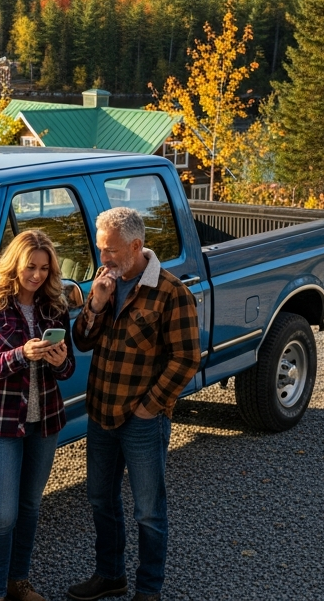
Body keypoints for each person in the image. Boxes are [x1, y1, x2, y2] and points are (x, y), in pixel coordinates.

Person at [66, 207, 199, 601]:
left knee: (148, 512)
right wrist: (95, 304)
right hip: (101, 412)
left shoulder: (171, 292)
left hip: (142, 419)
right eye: (100, 248)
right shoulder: (106, 284)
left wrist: (151, 406)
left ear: (136, 245)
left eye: (109, 250)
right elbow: (83, 341)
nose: (102, 258)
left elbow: (187, 358)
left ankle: (148, 590)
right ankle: (110, 575)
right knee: (99, 498)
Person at [0, 229, 76, 601]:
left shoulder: (54, 305)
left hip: (44, 420)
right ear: (15, 263)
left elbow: (69, 368)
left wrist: (61, 362)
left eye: (45, 268)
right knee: (2, 515)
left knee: (30, 507)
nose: (37, 275)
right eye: (31, 266)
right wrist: (19, 355)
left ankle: (19, 582)